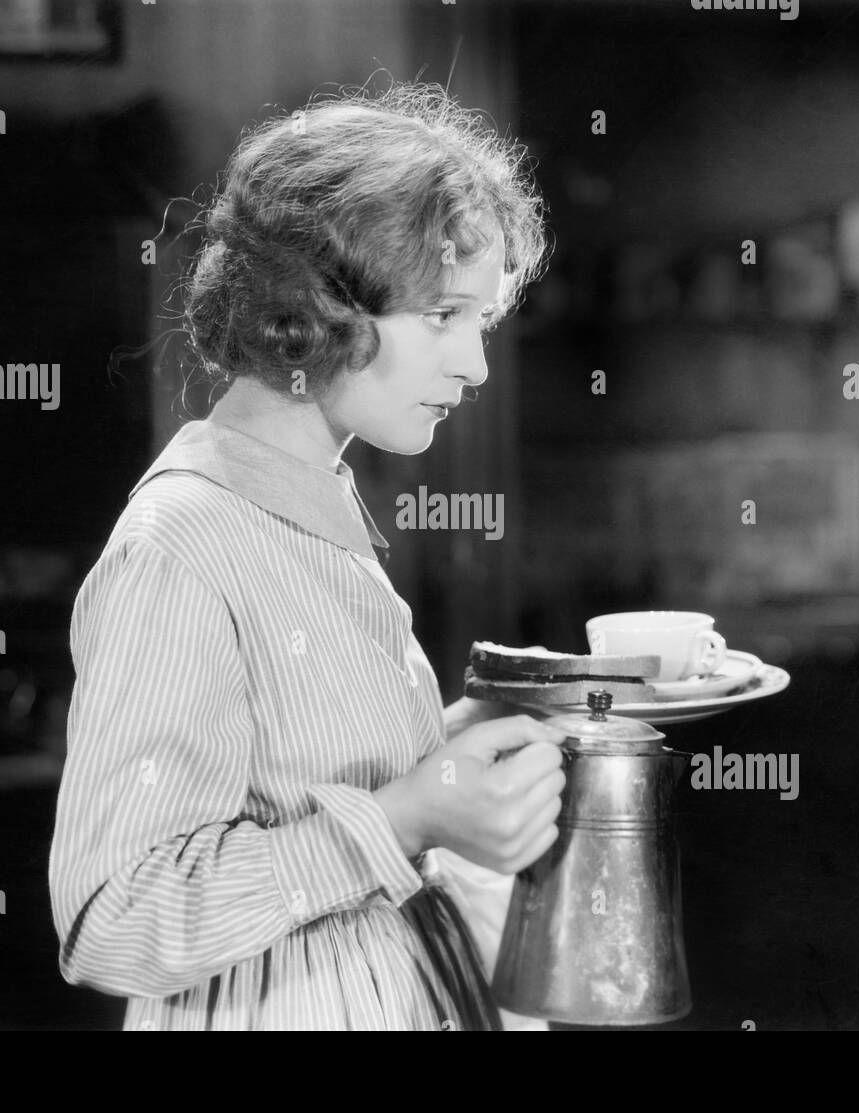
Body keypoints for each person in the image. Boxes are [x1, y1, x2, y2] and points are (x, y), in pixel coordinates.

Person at [48, 82, 566, 1030]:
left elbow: (297, 772)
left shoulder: (305, 502)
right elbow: (110, 919)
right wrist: (407, 817)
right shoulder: (181, 549)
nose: (476, 366)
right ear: (318, 304)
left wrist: (454, 742)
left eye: (481, 325)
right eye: (446, 317)